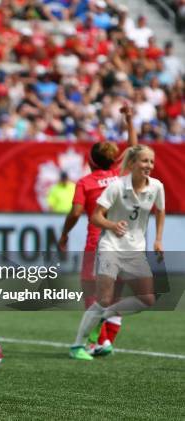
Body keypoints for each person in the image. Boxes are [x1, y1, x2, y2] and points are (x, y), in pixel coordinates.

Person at [69, 143, 165, 361]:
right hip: (109, 247)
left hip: (134, 250)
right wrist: (112, 225)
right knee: (103, 298)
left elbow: (161, 211)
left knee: (147, 299)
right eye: (144, 161)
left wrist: (158, 239)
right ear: (131, 164)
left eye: (151, 161)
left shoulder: (157, 186)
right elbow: (95, 216)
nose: (149, 165)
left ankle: (104, 318)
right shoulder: (117, 186)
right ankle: (77, 346)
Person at [58, 105, 138, 356]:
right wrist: (129, 121)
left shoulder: (86, 182)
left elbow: (75, 212)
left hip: (98, 246)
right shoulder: (121, 175)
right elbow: (134, 151)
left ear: (90, 162)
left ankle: (88, 344)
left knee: (93, 299)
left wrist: (64, 234)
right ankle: (105, 342)